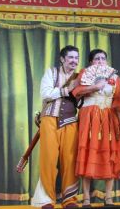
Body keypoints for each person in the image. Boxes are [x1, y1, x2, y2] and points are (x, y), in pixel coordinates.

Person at [72, 49, 120, 207]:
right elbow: (76, 92)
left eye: (103, 58)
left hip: (109, 118)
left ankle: (108, 197)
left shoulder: (115, 78)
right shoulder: (84, 73)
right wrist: (95, 87)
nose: (100, 61)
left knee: (110, 154)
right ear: (91, 62)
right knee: (88, 153)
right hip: (89, 118)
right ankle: (86, 198)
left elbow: (118, 102)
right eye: (97, 59)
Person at [31, 45, 80, 209]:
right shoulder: (51, 73)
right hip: (50, 119)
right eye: (71, 57)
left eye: (76, 58)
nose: (74, 61)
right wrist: (67, 89)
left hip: (71, 121)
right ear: (62, 59)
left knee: (70, 160)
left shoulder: (80, 76)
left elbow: (80, 101)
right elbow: (45, 93)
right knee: (48, 159)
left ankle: (70, 200)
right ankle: (45, 200)